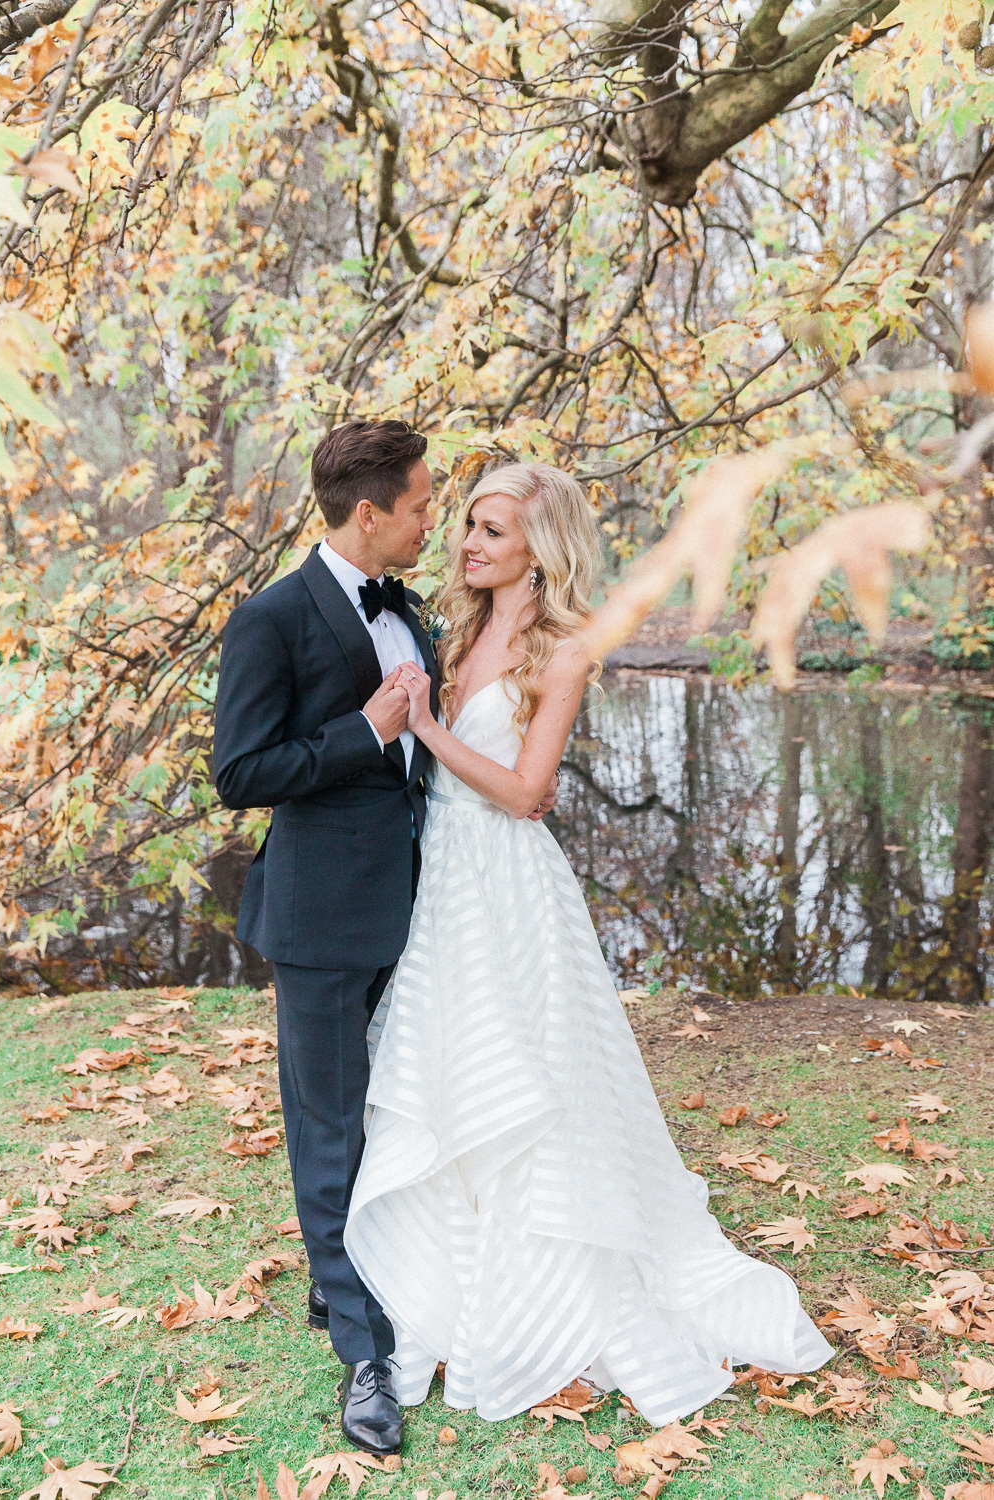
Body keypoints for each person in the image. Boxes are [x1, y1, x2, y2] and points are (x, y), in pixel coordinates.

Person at [344, 461, 833, 1425]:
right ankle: (450, 1264)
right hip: (444, 876)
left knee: (535, 1078)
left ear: (542, 545)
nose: (469, 543)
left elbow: (528, 791)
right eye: (469, 526)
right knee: (450, 1069)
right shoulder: (462, 631)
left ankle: (551, 1275)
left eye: (491, 530)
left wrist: (434, 729)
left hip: (511, 886)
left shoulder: (564, 650)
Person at [213, 419, 442, 1458]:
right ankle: (362, 1354)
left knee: (391, 1111)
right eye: (422, 504)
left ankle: (340, 1275)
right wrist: (364, 733)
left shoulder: (412, 610)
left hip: (417, 908)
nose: (430, 517)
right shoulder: (267, 619)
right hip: (316, 916)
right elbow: (240, 773)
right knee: (327, 1127)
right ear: (369, 513)